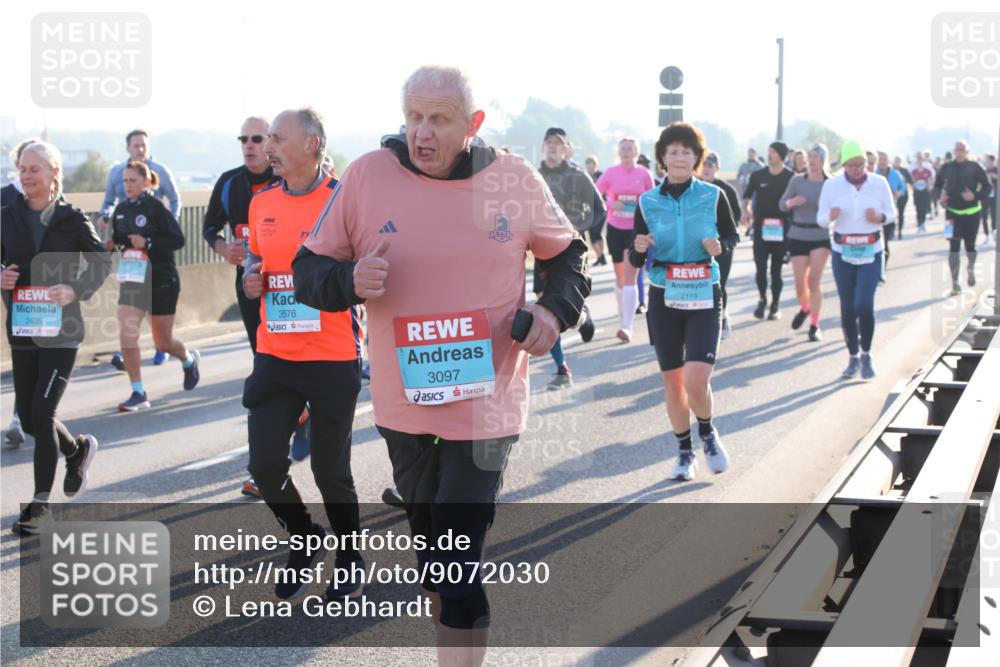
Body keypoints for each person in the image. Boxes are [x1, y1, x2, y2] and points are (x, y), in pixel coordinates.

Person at [292, 65, 590, 664]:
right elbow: (307, 271)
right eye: (414, 118)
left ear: (473, 124)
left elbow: (570, 259)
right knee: (435, 561)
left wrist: (554, 312)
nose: (423, 133)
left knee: (455, 568)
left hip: (489, 404)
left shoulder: (513, 178)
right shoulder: (368, 176)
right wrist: (348, 279)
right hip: (404, 405)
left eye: (439, 119)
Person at [241, 107, 366, 603]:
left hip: (333, 354)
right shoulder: (262, 202)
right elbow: (257, 265)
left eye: (277, 137)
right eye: (267, 137)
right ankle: (305, 536)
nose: (268, 145)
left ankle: (350, 556)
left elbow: (362, 272)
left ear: (312, 145)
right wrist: (249, 279)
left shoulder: (342, 200)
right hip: (275, 354)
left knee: (330, 470)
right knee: (265, 464)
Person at [1, 141, 112, 535]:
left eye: (36, 169)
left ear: (54, 174)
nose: (27, 175)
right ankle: (76, 449)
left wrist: (75, 289)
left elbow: (101, 261)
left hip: (62, 332)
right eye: (23, 169)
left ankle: (39, 506)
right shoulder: (7, 215)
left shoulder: (70, 218)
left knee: (43, 412)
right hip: (24, 327)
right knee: (30, 420)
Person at [630, 122, 737, 481]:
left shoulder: (712, 195)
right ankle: (684, 451)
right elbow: (634, 255)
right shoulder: (647, 201)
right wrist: (638, 249)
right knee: (673, 384)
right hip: (664, 296)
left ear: (696, 158)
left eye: (686, 152)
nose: (679, 158)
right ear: (662, 158)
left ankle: (706, 431)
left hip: (704, 292)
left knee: (696, 381)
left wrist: (719, 247)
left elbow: (731, 235)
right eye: (672, 152)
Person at [202, 117, 283, 498]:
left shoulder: (287, 177)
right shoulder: (230, 182)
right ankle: (264, 469)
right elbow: (208, 229)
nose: (249, 145)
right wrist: (225, 249)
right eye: (243, 139)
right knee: (265, 370)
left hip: (291, 288)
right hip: (251, 288)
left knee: (291, 370)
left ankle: (303, 422)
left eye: (256, 138)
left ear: (270, 142)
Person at [109, 161, 201, 411]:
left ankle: (188, 358)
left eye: (133, 181)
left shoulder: (156, 208)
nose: (128, 186)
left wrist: (148, 242)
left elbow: (177, 239)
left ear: (146, 182)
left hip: (160, 278)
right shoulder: (120, 209)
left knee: (163, 343)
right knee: (127, 336)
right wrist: (110, 243)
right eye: (125, 181)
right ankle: (138, 392)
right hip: (132, 279)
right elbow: (120, 241)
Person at [99, 130, 181, 370]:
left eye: (144, 145)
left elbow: (175, 200)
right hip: (132, 268)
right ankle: (134, 378)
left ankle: (164, 348)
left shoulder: (160, 172)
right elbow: (109, 201)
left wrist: (167, 225)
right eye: (136, 145)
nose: (140, 149)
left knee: (160, 332)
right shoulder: (117, 174)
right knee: (128, 323)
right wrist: (107, 225)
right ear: (128, 148)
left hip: (158, 265)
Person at [817, 140, 896, 380]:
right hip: (843, 251)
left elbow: (892, 213)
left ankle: (866, 353)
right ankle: (852, 357)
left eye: (860, 164)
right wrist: (829, 217)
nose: (857, 169)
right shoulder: (832, 185)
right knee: (848, 307)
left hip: (871, 250)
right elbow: (820, 218)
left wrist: (879, 216)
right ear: (843, 165)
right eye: (851, 165)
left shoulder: (879, 183)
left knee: (864, 304)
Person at [536, 128, 601, 389]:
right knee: (546, 308)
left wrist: (582, 230)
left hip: (572, 251)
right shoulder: (533, 176)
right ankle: (562, 368)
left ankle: (581, 315)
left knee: (563, 306)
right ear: (543, 147)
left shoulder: (577, 176)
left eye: (558, 143)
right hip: (543, 251)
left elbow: (600, 208)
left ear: (567, 150)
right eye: (549, 142)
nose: (553, 147)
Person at [596, 138, 654, 342]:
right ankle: (623, 317)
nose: (626, 152)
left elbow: (653, 200)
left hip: (635, 231)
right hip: (614, 229)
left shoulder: (644, 174)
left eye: (630, 149)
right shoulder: (611, 173)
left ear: (637, 153)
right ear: (618, 153)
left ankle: (627, 327)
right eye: (623, 149)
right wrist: (611, 203)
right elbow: (597, 193)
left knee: (630, 277)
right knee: (620, 278)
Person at [2, 138, 39, 448]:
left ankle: (32, 414)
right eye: (26, 166)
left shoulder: (53, 197)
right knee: (24, 351)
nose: (30, 174)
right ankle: (19, 416)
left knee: (42, 353)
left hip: (46, 291)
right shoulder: (3, 199)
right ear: (18, 166)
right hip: (15, 292)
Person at [779, 143, 832, 341]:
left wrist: (826, 208)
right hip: (798, 235)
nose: (812, 161)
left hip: (820, 236)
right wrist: (793, 202)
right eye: (809, 158)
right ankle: (805, 308)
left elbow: (840, 209)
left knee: (814, 282)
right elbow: (782, 204)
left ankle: (814, 325)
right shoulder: (797, 181)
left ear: (823, 160)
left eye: (816, 158)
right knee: (801, 287)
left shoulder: (831, 184)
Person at [742, 141, 793, 320]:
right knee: (761, 268)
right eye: (769, 151)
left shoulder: (790, 177)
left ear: (781, 155)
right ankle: (762, 300)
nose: (770, 155)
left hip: (782, 229)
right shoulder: (758, 175)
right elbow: (746, 196)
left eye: (774, 152)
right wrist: (746, 211)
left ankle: (775, 305)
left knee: (776, 270)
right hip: (761, 229)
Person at [934, 140, 991, 295]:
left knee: (970, 246)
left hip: (972, 213)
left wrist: (975, 195)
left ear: (967, 151)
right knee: (953, 247)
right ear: (954, 151)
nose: (959, 151)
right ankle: (955, 283)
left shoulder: (975, 167)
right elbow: (937, 185)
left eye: (962, 149)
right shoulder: (946, 167)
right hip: (951, 213)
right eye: (957, 149)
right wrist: (940, 195)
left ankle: (971, 267)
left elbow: (988, 186)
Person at [698, 152, 740, 340]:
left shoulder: (726, 190)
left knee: (719, 284)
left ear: (717, 168)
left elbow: (736, 218)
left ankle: (722, 318)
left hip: (721, 245)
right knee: (700, 285)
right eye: (704, 164)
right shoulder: (693, 188)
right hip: (698, 246)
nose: (707, 168)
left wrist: (721, 239)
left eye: (711, 164)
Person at [876, 150, 906, 278]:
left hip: (888, 213)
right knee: (877, 243)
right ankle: (876, 270)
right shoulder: (873, 174)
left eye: (884, 159)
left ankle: (883, 269)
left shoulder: (895, 174)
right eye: (880, 159)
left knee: (885, 243)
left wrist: (899, 192)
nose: (881, 162)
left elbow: (902, 187)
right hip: (875, 213)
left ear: (888, 161)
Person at [910, 150, 936, 233]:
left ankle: (923, 223)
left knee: (924, 207)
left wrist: (930, 186)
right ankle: (919, 223)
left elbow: (932, 178)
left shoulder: (927, 167)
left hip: (925, 191)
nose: (919, 159)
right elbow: (910, 179)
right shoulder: (912, 168)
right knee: (918, 208)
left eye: (921, 157)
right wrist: (912, 186)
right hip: (917, 191)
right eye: (918, 157)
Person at [893, 156, 912, 239]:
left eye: (899, 160)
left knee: (901, 213)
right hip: (892, 195)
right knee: (892, 214)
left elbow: (911, 181)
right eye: (896, 160)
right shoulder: (890, 170)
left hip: (903, 195)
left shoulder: (904, 170)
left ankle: (900, 231)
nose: (897, 162)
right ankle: (891, 230)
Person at [982, 154, 997, 243]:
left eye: (990, 160)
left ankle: (994, 232)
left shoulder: (996, 169)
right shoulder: (984, 170)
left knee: (993, 216)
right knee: (984, 217)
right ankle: (986, 235)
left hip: (994, 197)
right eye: (988, 160)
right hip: (984, 196)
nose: (989, 162)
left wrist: (993, 175)